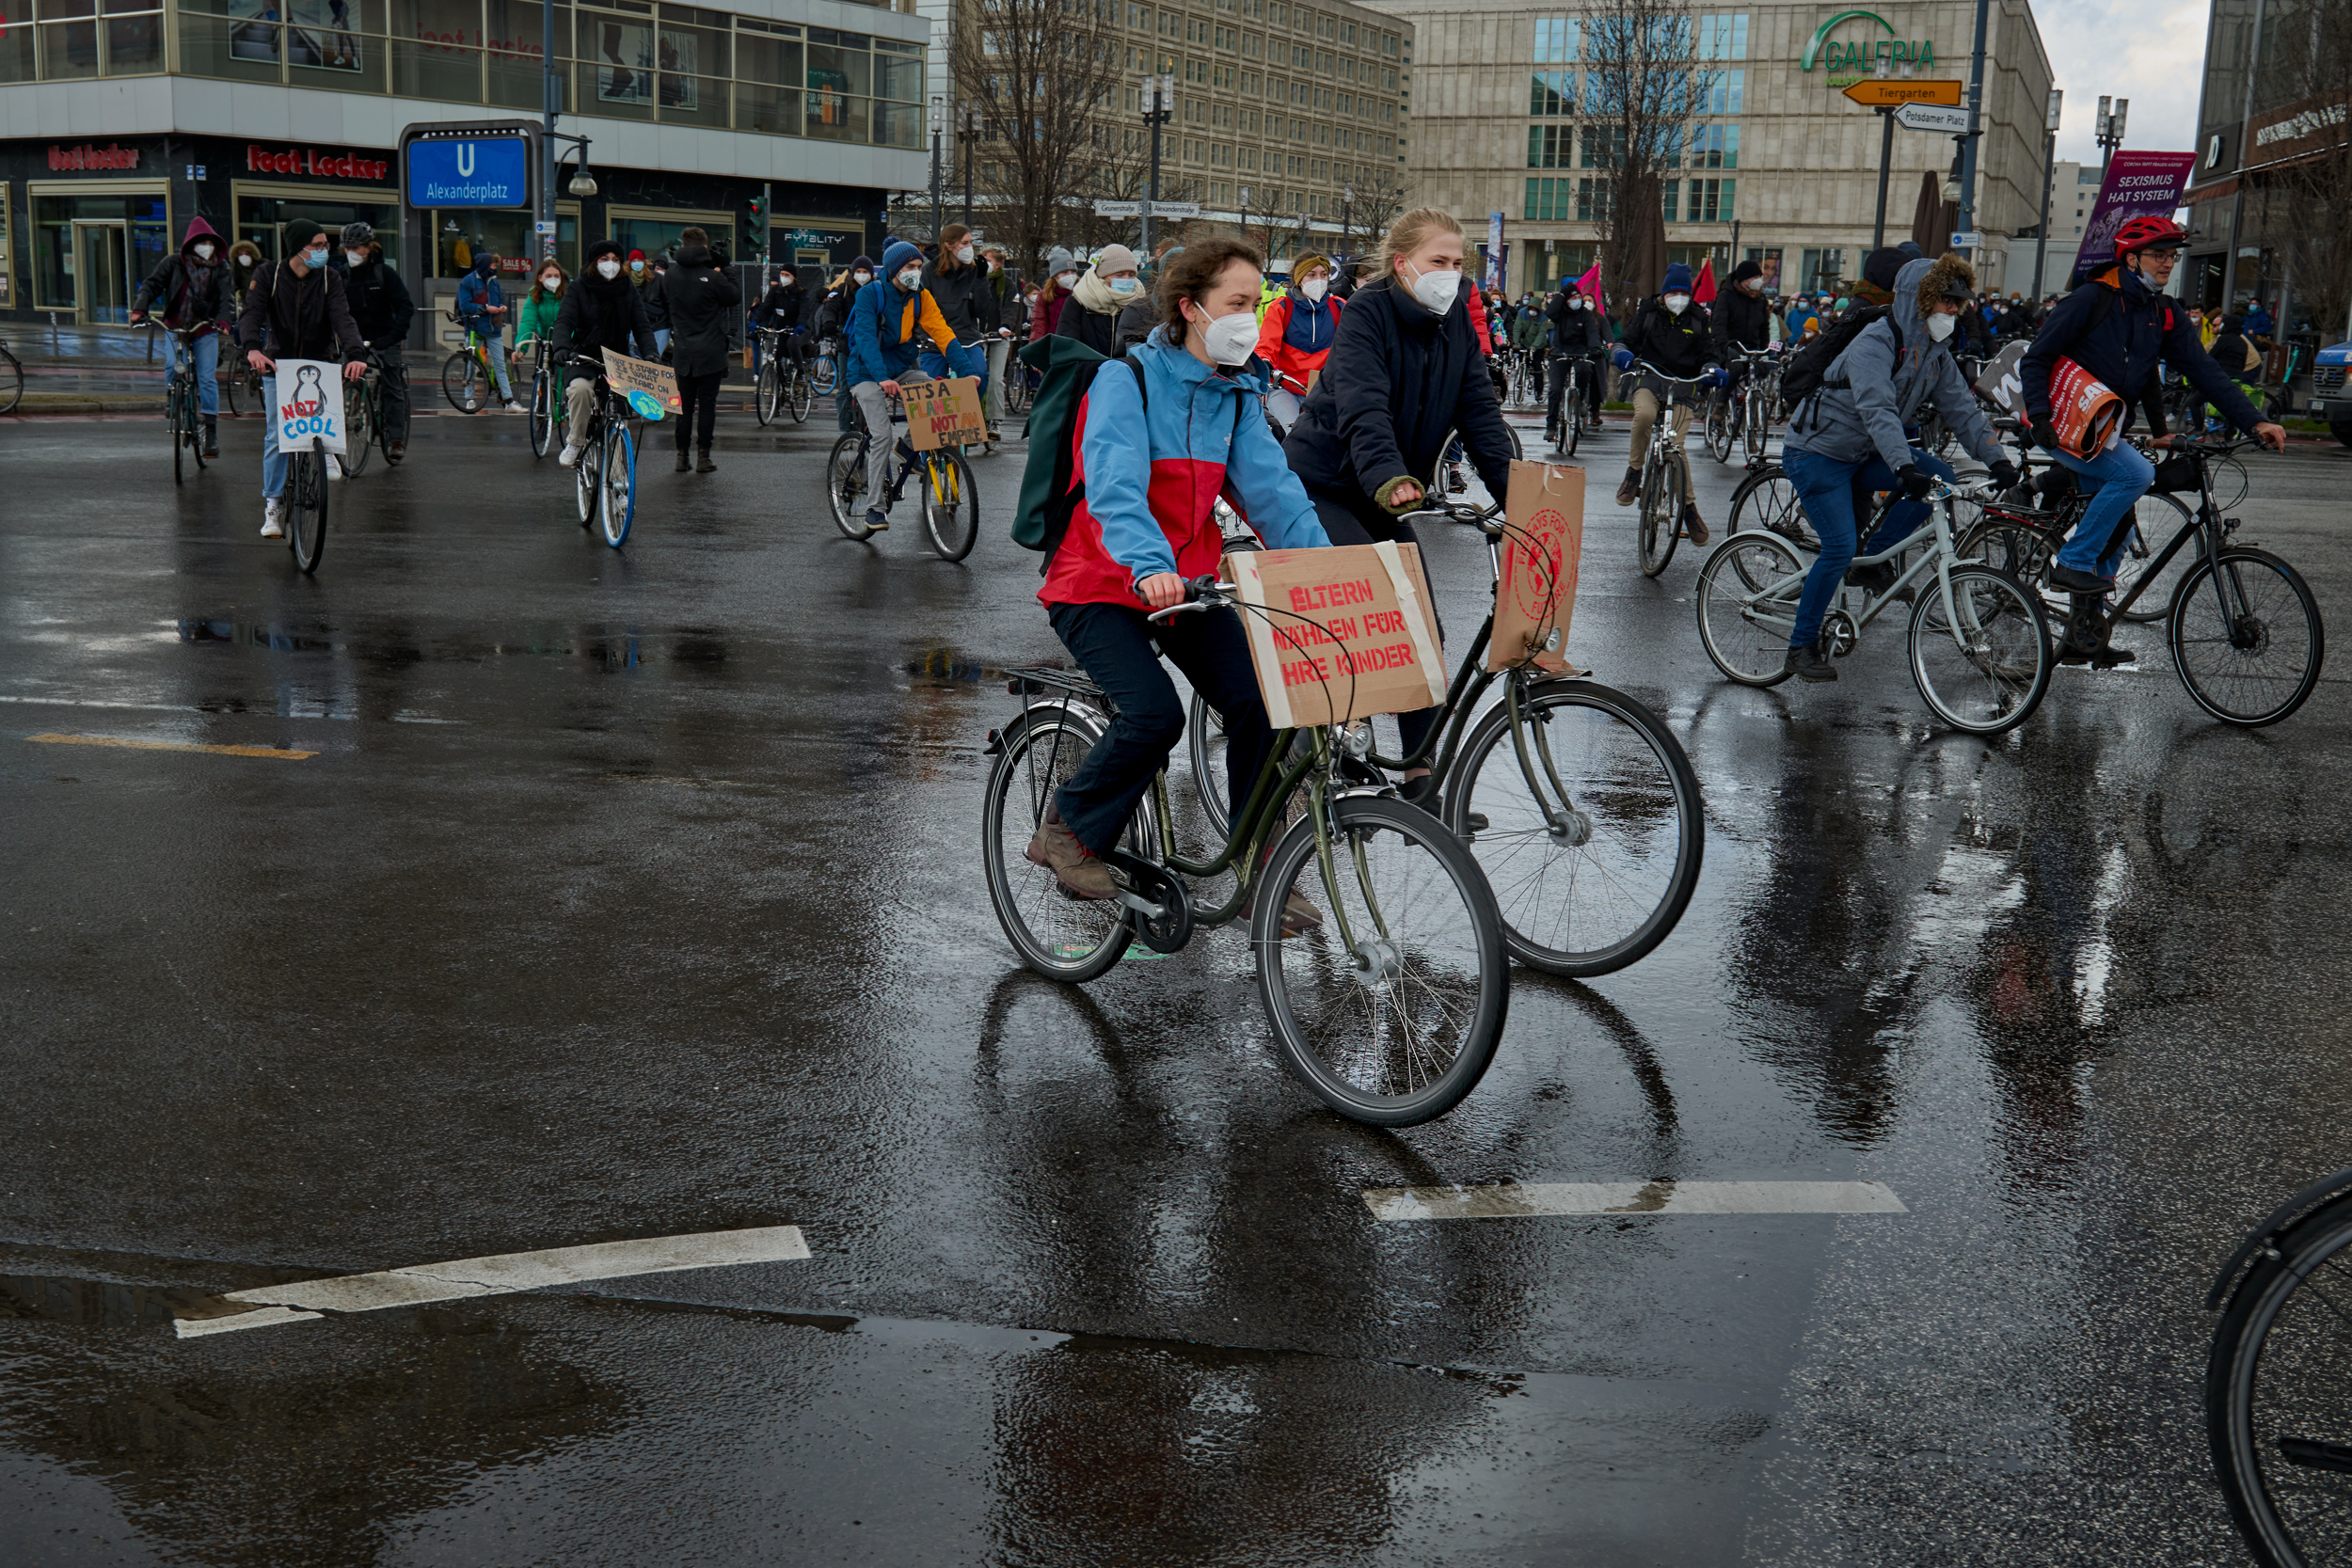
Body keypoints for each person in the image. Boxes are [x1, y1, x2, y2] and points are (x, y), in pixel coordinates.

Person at [1027, 235, 1331, 922]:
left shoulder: (1234, 393)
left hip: (1182, 588)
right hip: (1099, 584)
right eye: (1239, 302)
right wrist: (1151, 566)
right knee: (1154, 713)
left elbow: (1275, 495)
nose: (1251, 317)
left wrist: (1329, 570)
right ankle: (1066, 828)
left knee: (1259, 701)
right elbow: (1114, 489)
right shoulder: (1125, 380)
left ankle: (1260, 868)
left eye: (1257, 303)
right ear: (1191, 308)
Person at [1282, 207, 1513, 804]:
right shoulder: (1366, 313)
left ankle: (1418, 775)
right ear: (1402, 264)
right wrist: (1389, 475)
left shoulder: (1455, 322)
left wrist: (1521, 499)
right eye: (1439, 262)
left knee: (1420, 624)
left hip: (1389, 487)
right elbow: (1363, 405)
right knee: (1370, 604)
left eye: (1460, 264)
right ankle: (1332, 734)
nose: (1451, 274)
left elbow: (1480, 416)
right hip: (1327, 482)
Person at [2020, 215, 2284, 660]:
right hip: (2061, 426)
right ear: (2131, 258)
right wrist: (2040, 418)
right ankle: (2071, 563)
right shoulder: (2091, 299)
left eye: (2172, 256)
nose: (2168, 264)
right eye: (2159, 255)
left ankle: (2084, 637)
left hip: (2102, 431)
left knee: (2119, 533)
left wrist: (2253, 420)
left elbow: (2203, 371)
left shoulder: (2161, 311)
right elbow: (2036, 359)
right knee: (2135, 474)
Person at [1778, 253, 2022, 682]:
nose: (1952, 310)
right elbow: (1878, 409)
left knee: (1941, 480)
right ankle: (1800, 646)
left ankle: (1871, 559)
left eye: (1957, 303)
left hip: (1860, 454)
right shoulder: (1875, 341)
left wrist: (1997, 459)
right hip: (1817, 453)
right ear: (1920, 299)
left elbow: (1962, 409)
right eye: (1946, 301)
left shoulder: (1934, 350)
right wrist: (1903, 465)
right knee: (1837, 546)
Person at [235, 219, 368, 537]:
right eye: (318, 245)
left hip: (319, 361)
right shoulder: (269, 274)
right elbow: (252, 313)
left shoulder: (329, 278)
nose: (324, 251)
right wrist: (253, 349)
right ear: (298, 247)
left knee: (324, 416)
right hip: (277, 363)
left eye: (326, 245)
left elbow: (342, 317)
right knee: (276, 436)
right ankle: (274, 505)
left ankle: (330, 451)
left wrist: (356, 353)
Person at [841, 239, 979, 532]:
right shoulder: (870, 295)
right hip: (866, 373)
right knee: (881, 435)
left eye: (918, 266)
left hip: (902, 368)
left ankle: (907, 447)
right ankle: (875, 509)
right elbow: (865, 338)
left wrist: (967, 371)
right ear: (894, 269)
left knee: (938, 399)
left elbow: (943, 334)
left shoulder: (920, 296)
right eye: (910, 267)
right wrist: (881, 378)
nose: (916, 272)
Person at [1609, 261, 1714, 544]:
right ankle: (1634, 473)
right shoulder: (1648, 312)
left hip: (1683, 389)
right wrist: (1621, 352)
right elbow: (1627, 340)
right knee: (1643, 416)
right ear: (1663, 294)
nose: (1678, 299)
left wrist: (1714, 368)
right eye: (1673, 293)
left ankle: (1689, 508)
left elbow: (1708, 352)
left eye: (1684, 293)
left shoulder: (1698, 318)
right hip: (1650, 381)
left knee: (1676, 448)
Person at [128, 215, 233, 458]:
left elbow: (227, 297)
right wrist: (139, 309)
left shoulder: (221, 268)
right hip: (175, 326)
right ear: (190, 243)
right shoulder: (172, 263)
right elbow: (151, 285)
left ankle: (211, 430)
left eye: (209, 242)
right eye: (200, 241)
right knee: (171, 364)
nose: (206, 246)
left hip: (205, 328)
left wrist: (224, 321)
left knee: (206, 378)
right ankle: (171, 396)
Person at [553, 239, 660, 469]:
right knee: (580, 390)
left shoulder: (627, 289)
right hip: (583, 356)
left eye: (616, 260)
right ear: (594, 262)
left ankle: (620, 483)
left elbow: (641, 326)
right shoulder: (578, 287)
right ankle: (575, 441)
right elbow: (564, 321)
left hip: (618, 360)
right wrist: (561, 347)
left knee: (620, 421)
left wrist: (651, 353)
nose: (610, 264)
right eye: (604, 259)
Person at [333, 222, 415, 462]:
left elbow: (405, 307)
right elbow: (334, 310)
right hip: (354, 338)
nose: (351, 253)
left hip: (385, 335)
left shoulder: (384, 273)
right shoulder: (342, 276)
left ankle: (396, 439)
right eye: (347, 248)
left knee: (392, 384)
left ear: (368, 248)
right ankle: (349, 420)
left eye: (356, 248)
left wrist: (393, 336)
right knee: (348, 378)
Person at [661, 226, 739, 473]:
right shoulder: (714, 278)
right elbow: (734, 296)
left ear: (682, 245)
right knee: (707, 406)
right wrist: (726, 268)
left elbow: (664, 303)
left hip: (683, 350)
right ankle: (704, 457)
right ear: (705, 247)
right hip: (711, 351)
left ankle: (681, 457)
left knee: (683, 407)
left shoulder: (670, 276)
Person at [923, 224, 1003, 434]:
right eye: (965, 243)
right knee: (930, 391)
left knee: (980, 374)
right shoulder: (928, 271)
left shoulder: (974, 271)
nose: (970, 248)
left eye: (971, 243)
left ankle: (968, 421)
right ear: (949, 245)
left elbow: (982, 310)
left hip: (967, 336)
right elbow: (920, 309)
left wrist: (981, 278)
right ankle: (924, 453)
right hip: (935, 340)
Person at [1253, 250, 1341, 428]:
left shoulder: (1339, 307)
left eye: (1324, 275)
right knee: (1289, 431)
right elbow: (1266, 346)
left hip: (1324, 390)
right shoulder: (1281, 308)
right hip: (1286, 387)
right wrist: (1264, 362)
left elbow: (1353, 347)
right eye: (1312, 275)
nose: (1319, 280)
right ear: (1300, 279)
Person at [453, 250, 523, 412]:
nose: (494, 268)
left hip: (493, 328)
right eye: (493, 265)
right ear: (485, 266)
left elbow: (498, 300)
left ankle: (509, 401)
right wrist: (485, 308)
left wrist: (501, 306)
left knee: (499, 363)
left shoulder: (494, 282)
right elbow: (464, 306)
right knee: (471, 364)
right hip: (474, 327)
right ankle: (470, 399)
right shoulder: (468, 282)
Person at [1055, 243, 1145, 359]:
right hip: (1089, 375)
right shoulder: (1078, 301)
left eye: (1131, 274)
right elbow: (1067, 349)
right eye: (1120, 275)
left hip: (1128, 376)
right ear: (1103, 275)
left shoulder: (1140, 304)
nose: (1126, 279)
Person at [816, 257, 874, 433]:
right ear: (852, 273)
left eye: (865, 272)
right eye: (858, 272)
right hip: (847, 346)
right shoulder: (843, 290)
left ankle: (872, 427)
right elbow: (831, 308)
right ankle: (844, 431)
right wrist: (829, 323)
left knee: (874, 390)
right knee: (844, 389)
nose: (862, 275)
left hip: (870, 347)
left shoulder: (877, 291)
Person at [1544, 284, 1605, 447]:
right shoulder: (1560, 313)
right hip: (1559, 353)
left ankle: (1581, 401)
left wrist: (1595, 348)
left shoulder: (1586, 314)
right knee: (1555, 389)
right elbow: (1549, 312)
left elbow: (1592, 333)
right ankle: (1551, 426)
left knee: (1585, 370)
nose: (1577, 301)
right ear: (1566, 300)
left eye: (1579, 298)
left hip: (1580, 352)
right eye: (1573, 298)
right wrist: (1561, 294)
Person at [1711, 257, 1772, 415]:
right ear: (1743, 280)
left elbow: (1764, 328)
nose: (1758, 281)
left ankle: (1750, 408)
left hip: (1751, 348)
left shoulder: (1761, 299)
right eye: (1753, 278)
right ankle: (1721, 402)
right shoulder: (1726, 297)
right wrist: (1726, 346)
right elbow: (1718, 325)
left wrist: (1765, 350)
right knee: (1736, 368)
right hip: (1729, 347)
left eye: (1758, 277)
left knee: (1762, 368)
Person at [750, 264, 805, 374]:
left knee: (792, 344)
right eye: (782, 274)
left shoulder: (801, 293)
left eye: (787, 275)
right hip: (780, 327)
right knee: (778, 353)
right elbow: (765, 308)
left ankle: (800, 372)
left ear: (793, 277)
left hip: (797, 329)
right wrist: (755, 321)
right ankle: (780, 380)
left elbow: (804, 312)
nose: (784, 277)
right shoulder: (775, 291)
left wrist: (801, 324)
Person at [1027, 247, 1077, 343]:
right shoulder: (1045, 296)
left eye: (1073, 271)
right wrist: (1036, 348)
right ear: (1055, 275)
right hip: (1052, 345)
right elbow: (1039, 325)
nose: (1070, 275)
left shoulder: (1080, 293)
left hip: (1075, 346)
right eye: (1065, 272)